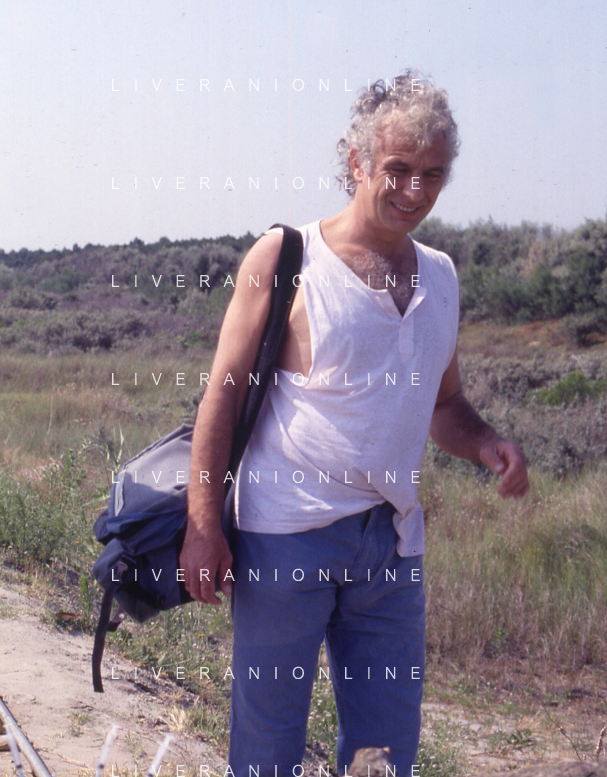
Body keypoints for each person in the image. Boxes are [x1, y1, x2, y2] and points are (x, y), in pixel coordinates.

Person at [178, 71, 529, 774]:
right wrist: (203, 524)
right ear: (356, 160)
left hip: (392, 548)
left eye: (433, 174)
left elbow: (443, 404)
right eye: (397, 169)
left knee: (385, 752)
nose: (414, 191)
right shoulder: (287, 258)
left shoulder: (441, 275)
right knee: (267, 750)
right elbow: (221, 397)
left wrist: (487, 443)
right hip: (284, 539)